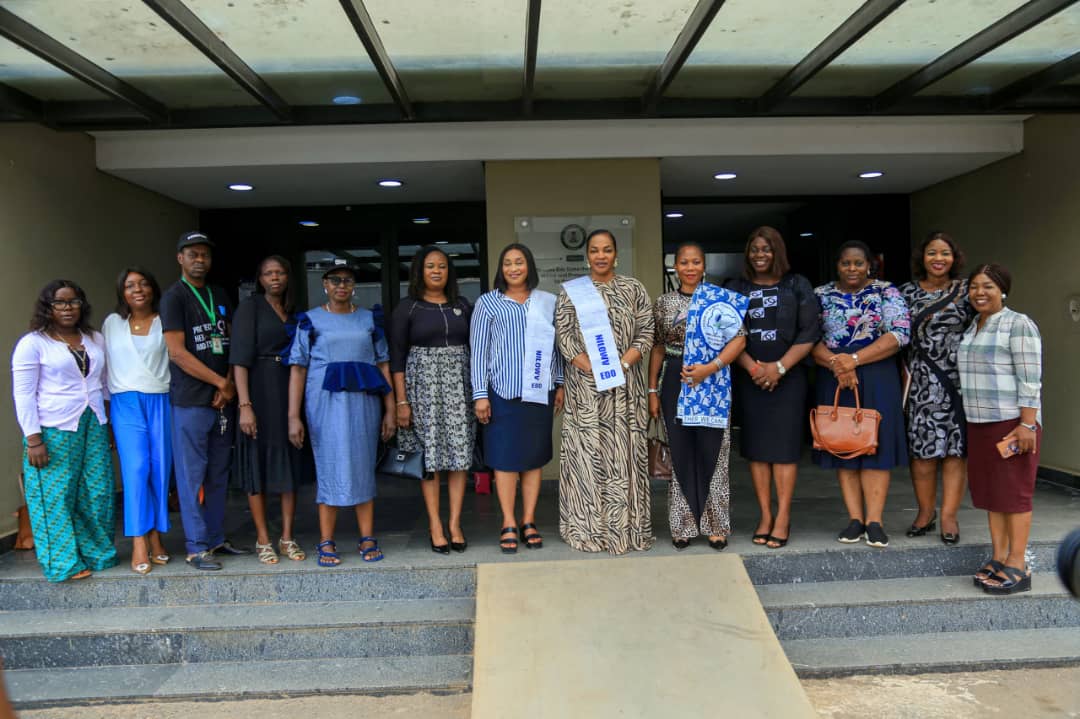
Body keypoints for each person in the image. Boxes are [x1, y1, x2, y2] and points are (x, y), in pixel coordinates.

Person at [287, 265, 396, 567]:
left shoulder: (367, 319)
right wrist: (292, 416)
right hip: (324, 404)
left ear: (354, 286)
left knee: (362, 466)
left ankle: (367, 537)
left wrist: (390, 408)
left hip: (364, 405)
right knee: (330, 466)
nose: (341, 285)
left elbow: (383, 364)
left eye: (347, 280)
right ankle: (327, 540)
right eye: (335, 280)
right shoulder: (310, 320)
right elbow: (298, 368)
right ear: (324, 284)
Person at [555, 229, 655, 554]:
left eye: (607, 250)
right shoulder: (572, 292)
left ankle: (627, 530)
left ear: (616, 254)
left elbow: (646, 332)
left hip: (626, 392)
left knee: (624, 457)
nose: (601, 256)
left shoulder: (633, 289)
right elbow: (565, 336)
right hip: (587, 393)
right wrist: (592, 368)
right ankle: (589, 531)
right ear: (587, 255)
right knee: (588, 457)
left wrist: (621, 366)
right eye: (595, 250)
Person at [11, 280, 117, 582]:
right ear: (48, 307)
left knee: (96, 492)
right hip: (52, 428)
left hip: (93, 423)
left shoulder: (94, 338)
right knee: (54, 497)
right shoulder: (33, 343)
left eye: (73, 301)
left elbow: (105, 384)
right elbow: (24, 395)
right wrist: (33, 439)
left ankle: (97, 552)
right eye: (60, 302)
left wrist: (107, 423)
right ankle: (63, 563)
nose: (68, 307)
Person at [160, 231, 250, 571]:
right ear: (180, 258)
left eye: (205, 255)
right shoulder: (174, 297)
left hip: (221, 399)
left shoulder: (219, 293)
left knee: (218, 473)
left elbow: (229, 342)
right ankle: (196, 546)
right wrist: (220, 383)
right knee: (191, 474)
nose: (200, 260)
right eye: (193, 254)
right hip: (192, 400)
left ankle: (215, 538)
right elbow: (177, 353)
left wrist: (226, 385)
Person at [812, 240, 910, 549]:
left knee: (874, 448)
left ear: (870, 265)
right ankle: (855, 519)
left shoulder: (886, 292)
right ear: (837, 266)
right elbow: (807, 338)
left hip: (877, 374)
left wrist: (854, 360)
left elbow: (899, 334)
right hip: (834, 376)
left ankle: (875, 522)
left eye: (858, 263)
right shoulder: (821, 295)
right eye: (846, 263)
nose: (852, 269)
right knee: (845, 444)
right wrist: (838, 365)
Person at [649, 242, 747, 551]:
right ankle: (683, 525)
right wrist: (652, 389)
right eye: (684, 262)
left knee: (713, 452)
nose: (690, 268)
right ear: (675, 266)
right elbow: (658, 347)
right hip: (675, 381)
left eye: (696, 262)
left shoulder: (719, 300)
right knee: (681, 453)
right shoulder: (664, 303)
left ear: (703, 266)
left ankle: (716, 525)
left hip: (713, 381)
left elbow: (739, 341)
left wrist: (709, 368)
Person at [726, 227, 819, 549]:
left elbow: (809, 331)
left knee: (784, 450)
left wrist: (779, 368)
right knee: (757, 450)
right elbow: (726, 332)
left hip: (788, 378)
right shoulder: (735, 288)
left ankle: (783, 517)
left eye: (766, 249)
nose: (760, 255)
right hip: (749, 376)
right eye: (754, 249)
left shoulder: (797, 285)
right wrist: (753, 367)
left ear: (777, 251)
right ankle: (765, 514)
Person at [470, 243, 563, 553]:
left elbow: (556, 348)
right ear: (501, 268)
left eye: (519, 262)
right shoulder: (488, 303)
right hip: (502, 393)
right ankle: (508, 521)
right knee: (506, 460)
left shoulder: (547, 302)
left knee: (533, 459)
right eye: (507, 263)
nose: (513, 268)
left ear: (529, 266)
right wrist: (480, 395)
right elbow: (479, 352)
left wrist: (560, 383)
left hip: (540, 393)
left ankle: (528, 520)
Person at [958, 263, 1042, 594]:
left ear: (1003, 290)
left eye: (988, 286)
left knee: (1015, 495)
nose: (980, 292)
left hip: (1011, 421)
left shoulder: (1018, 324)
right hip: (980, 422)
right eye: (975, 286)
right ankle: (998, 556)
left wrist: (1026, 423)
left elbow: (1030, 379)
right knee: (993, 495)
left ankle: (1018, 565)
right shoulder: (973, 326)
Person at [391, 246, 476, 554]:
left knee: (458, 458)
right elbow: (397, 358)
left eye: (442, 266)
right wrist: (402, 402)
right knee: (430, 459)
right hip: (422, 391)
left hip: (459, 390)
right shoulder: (407, 308)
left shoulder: (463, 305)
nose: (437, 271)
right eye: (430, 266)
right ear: (419, 272)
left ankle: (454, 523)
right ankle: (435, 525)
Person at [230, 256, 308, 564]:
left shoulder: (293, 312)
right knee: (257, 465)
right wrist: (245, 405)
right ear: (260, 279)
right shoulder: (250, 308)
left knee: (289, 462)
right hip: (259, 390)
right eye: (268, 273)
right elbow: (239, 360)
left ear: (287, 277)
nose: (274, 278)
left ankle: (287, 536)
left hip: (289, 390)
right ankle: (263, 538)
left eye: (280, 273)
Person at [900, 232, 974, 544]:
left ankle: (948, 517)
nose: (939, 259)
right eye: (932, 253)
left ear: (954, 257)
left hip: (959, 382)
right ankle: (925, 512)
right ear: (923, 258)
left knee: (956, 452)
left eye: (945, 253)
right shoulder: (905, 292)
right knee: (923, 453)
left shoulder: (969, 290)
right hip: (920, 383)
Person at [102, 267, 172, 574]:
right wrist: (104, 413)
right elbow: (102, 370)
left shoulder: (165, 321)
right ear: (122, 293)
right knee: (136, 469)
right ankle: (139, 540)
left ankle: (157, 534)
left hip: (160, 399)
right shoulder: (112, 324)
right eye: (130, 285)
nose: (138, 289)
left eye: (144, 283)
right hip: (125, 401)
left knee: (159, 469)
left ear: (153, 289)